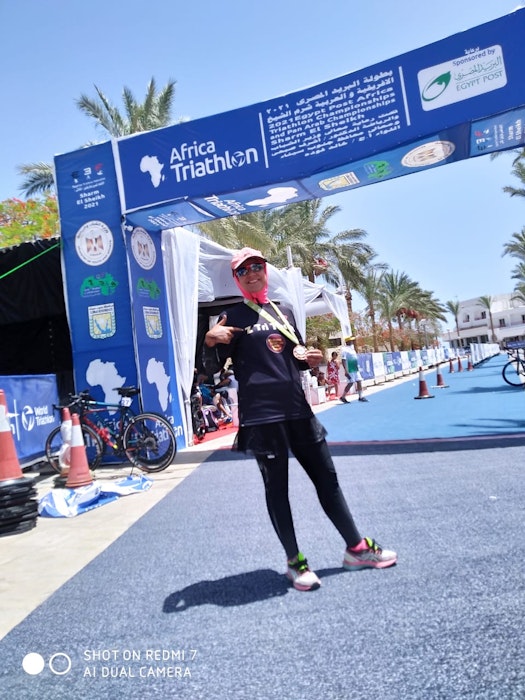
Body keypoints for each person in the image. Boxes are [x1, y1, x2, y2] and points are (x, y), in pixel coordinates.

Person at [203, 247, 396, 592]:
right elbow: (211, 370)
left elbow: (295, 356)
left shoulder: (285, 310)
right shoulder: (230, 316)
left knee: (328, 479)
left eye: (256, 266)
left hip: (298, 410)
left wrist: (310, 359)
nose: (251, 273)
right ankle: (295, 562)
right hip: (263, 418)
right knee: (277, 490)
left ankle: (356, 549)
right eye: (243, 270)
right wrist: (209, 342)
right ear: (236, 279)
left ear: (265, 271)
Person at [340, 336, 368, 403]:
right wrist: (346, 370)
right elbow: (343, 360)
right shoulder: (344, 350)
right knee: (351, 383)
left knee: (359, 381)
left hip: (355, 368)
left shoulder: (352, 349)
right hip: (350, 368)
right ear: (347, 342)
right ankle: (343, 397)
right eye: (351, 341)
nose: (352, 342)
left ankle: (361, 397)